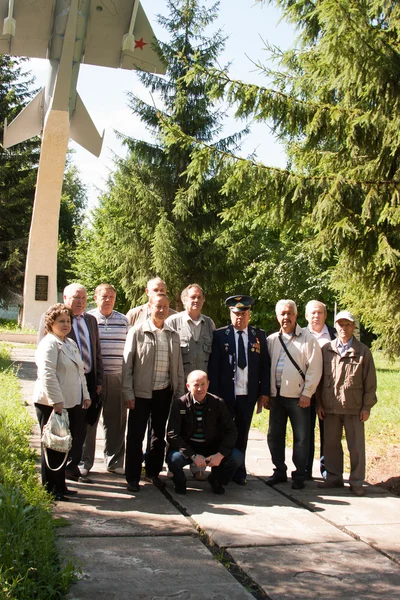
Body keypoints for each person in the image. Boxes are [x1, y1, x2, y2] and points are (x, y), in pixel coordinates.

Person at [122, 292, 185, 492]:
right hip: (140, 393)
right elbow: (127, 365)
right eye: (157, 306)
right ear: (149, 307)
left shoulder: (173, 335)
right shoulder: (137, 331)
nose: (161, 310)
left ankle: (153, 473)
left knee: (159, 436)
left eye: (165, 307)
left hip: (164, 392)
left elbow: (179, 368)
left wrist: (179, 393)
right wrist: (128, 393)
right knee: (135, 435)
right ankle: (132, 477)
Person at [208, 295, 270, 486]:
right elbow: (214, 367)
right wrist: (215, 395)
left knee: (243, 433)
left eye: (243, 314)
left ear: (249, 314)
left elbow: (264, 366)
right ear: (230, 314)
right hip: (226, 395)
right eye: (236, 314)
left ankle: (239, 471)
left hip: (247, 395)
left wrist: (264, 393)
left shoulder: (258, 336)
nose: (239, 318)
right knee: (224, 432)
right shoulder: (220, 335)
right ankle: (219, 469)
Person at [33, 303, 91, 501]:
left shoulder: (69, 343)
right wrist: (56, 401)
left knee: (64, 445)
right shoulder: (49, 344)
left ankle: (61, 485)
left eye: (68, 321)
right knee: (52, 446)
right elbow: (47, 374)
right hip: (51, 404)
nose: (66, 324)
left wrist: (86, 395)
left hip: (71, 402)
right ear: (51, 323)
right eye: (61, 321)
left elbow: (80, 371)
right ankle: (51, 489)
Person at [316, 310, 377, 496]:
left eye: (347, 324)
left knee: (356, 447)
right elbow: (317, 380)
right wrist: (319, 404)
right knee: (331, 445)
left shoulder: (363, 351)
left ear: (353, 327)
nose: (344, 328)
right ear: (335, 327)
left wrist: (366, 407)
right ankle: (333, 477)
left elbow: (370, 383)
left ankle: (357, 481)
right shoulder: (326, 349)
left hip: (354, 408)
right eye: (340, 324)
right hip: (330, 407)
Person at [266, 299, 322, 490]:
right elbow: (266, 368)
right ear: (277, 316)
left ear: (296, 316)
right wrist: (267, 393)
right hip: (276, 398)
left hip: (299, 399)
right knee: (274, 436)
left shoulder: (308, 339)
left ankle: (299, 475)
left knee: (301, 438)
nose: (286, 317)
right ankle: (279, 471)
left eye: (290, 313)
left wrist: (307, 393)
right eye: (282, 314)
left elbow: (315, 369)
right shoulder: (272, 340)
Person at [166, 283, 215, 481]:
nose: (196, 300)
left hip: (201, 390)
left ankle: (198, 467)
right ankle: (172, 465)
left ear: (203, 301)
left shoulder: (209, 324)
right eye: (192, 297)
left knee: (199, 427)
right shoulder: (173, 322)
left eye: (199, 297)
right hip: (179, 388)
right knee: (174, 429)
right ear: (184, 300)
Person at [167, 370, 243, 495]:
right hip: (189, 447)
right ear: (188, 386)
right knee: (174, 459)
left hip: (212, 447)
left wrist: (220, 454)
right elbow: (172, 434)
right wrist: (192, 455)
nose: (200, 388)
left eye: (203, 384)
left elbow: (232, 431)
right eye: (196, 385)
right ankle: (180, 482)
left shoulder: (218, 403)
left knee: (237, 457)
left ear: (208, 384)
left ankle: (216, 479)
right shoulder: (179, 404)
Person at [82, 283, 129, 476]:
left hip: (117, 377)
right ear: (95, 298)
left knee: (116, 421)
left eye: (111, 296)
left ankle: (114, 461)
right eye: (104, 296)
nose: (108, 299)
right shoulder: (88, 319)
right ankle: (84, 462)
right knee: (89, 421)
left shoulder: (124, 320)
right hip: (94, 378)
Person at [305, 300, 337, 479]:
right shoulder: (300, 334)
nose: (316, 316)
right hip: (306, 393)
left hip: (329, 393)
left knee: (328, 434)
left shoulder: (334, 334)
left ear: (325, 315)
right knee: (305, 433)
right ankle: (306, 470)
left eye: (320, 313)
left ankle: (326, 470)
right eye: (313, 313)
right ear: (306, 316)